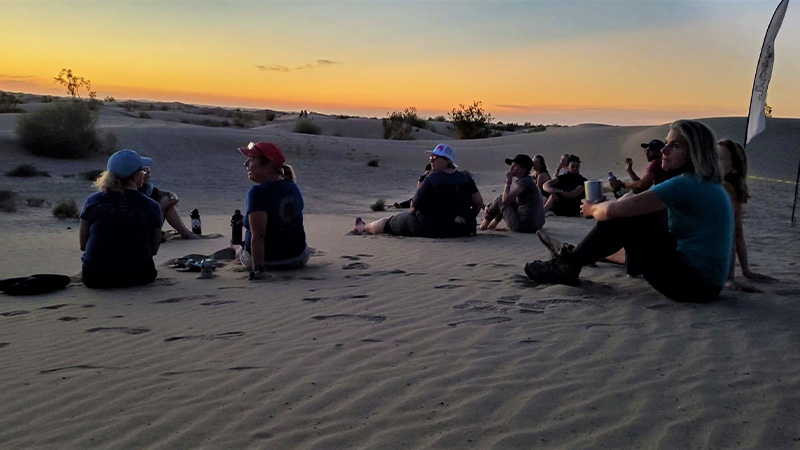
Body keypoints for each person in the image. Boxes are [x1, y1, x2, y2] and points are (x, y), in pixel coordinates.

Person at [524, 120, 733, 302]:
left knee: (626, 218)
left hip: (692, 285)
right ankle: (577, 259)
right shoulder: (710, 185)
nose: (664, 150)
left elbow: (613, 211)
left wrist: (591, 207)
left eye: (674, 146)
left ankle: (568, 265)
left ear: (695, 152)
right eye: (666, 143)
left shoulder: (685, 184)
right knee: (640, 215)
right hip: (709, 285)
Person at [355, 143, 484, 237]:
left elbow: (413, 206)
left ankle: (363, 227)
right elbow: (479, 202)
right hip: (466, 228)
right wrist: (469, 217)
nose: (432, 161)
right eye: (431, 158)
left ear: (447, 161)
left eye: (435, 158)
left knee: (387, 223)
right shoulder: (465, 177)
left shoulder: (432, 178)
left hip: (431, 228)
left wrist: (420, 189)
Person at [79, 149, 163, 288]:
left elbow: (83, 245)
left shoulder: (93, 202)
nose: (145, 173)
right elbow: (154, 248)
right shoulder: (151, 206)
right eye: (143, 170)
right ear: (135, 177)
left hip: (95, 278)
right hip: (140, 275)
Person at [238, 141, 309, 277]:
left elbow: (258, 235)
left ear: (267, 166)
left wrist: (258, 269)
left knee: (238, 249)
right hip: (298, 257)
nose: (246, 164)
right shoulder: (292, 186)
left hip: (269, 261)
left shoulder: (257, 192)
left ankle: (235, 248)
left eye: (251, 159)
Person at [717, 139, 774, 288]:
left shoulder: (724, 189)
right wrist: (745, 271)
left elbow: (730, 235)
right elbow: (738, 235)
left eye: (720, 158)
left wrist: (730, 278)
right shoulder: (731, 191)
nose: (714, 161)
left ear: (734, 169)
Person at [480, 154, 545, 233]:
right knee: (505, 201)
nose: (511, 168)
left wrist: (508, 181)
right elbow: (511, 200)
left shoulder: (525, 181)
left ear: (523, 168)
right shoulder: (529, 180)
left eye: (515, 166)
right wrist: (492, 205)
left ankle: (483, 226)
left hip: (524, 226)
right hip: (536, 225)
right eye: (511, 166)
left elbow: (505, 200)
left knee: (501, 200)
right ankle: (491, 226)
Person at [138, 167, 199, 239]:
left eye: (148, 170)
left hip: (147, 222)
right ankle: (186, 233)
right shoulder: (136, 190)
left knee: (166, 201)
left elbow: (168, 194)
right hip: (141, 229)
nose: (148, 173)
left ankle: (185, 233)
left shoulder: (146, 188)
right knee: (165, 203)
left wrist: (172, 198)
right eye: (145, 171)